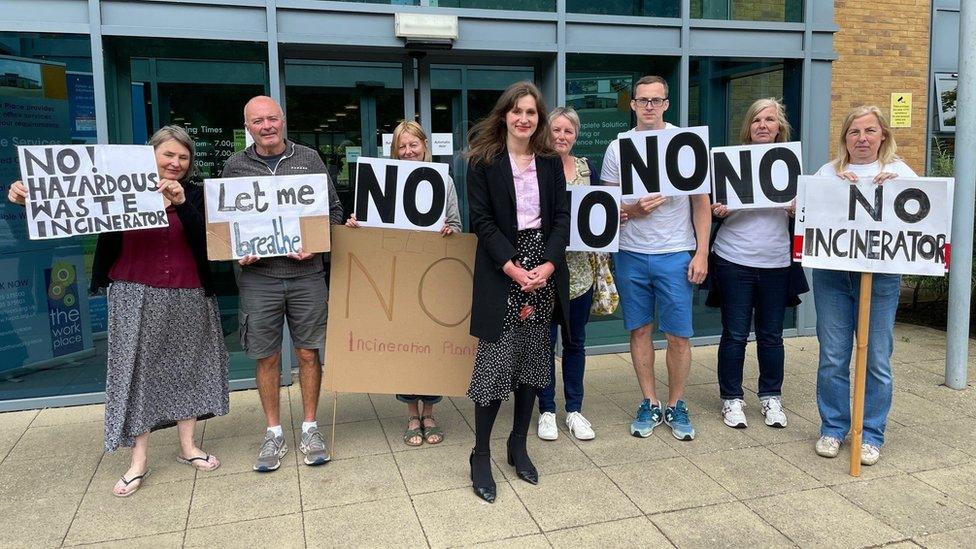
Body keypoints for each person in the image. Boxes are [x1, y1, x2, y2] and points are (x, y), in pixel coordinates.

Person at [8, 125, 229, 497]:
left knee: (188, 366)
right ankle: (138, 460)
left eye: (183, 157)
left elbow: (211, 240)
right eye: (168, 154)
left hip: (190, 292)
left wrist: (180, 203)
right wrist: (29, 197)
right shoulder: (116, 187)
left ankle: (188, 447)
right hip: (134, 293)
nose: (175, 163)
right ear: (150, 155)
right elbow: (68, 203)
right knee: (135, 372)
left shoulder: (196, 194)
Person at [222, 95, 343, 472]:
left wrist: (317, 243)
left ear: (283, 120)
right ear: (248, 126)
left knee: (309, 353)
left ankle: (310, 427)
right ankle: (273, 432)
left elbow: (334, 211)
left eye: (272, 118)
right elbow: (224, 224)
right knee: (267, 356)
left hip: (307, 276)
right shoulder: (234, 166)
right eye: (258, 121)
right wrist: (235, 250)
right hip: (259, 278)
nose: (267, 126)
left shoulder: (309, 159)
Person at [465, 81, 570, 503]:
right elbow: (482, 220)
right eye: (516, 111)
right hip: (500, 267)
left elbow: (562, 218)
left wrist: (547, 264)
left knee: (532, 364)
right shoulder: (482, 161)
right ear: (504, 115)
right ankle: (480, 454)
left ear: (538, 118)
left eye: (531, 112)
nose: (524, 118)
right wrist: (512, 266)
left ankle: (518, 444)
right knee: (493, 367)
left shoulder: (549, 161)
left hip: (543, 267)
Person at [600, 75, 710, 441]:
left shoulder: (686, 142)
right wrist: (633, 208)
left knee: (679, 335)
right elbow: (609, 205)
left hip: (675, 252)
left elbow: (701, 202)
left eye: (656, 100)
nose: (649, 106)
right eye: (642, 100)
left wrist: (702, 252)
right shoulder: (619, 148)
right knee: (640, 329)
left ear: (666, 104)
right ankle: (649, 400)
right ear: (632, 105)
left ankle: (676, 404)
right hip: (631, 252)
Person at [345, 120, 462, 446]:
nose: (408, 151)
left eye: (413, 144)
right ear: (393, 151)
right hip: (398, 275)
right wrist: (356, 224)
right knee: (405, 346)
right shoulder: (384, 182)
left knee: (430, 345)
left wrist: (449, 231)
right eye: (402, 147)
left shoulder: (445, 182)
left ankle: (430, 411)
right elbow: (369, 230)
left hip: (431, 275)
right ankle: (412, 413)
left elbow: (456, 224)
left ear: (424, 145)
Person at [811, 105, 916, 466]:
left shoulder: (900, 171)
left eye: (870, 131)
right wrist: (828, 192)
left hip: (882, 275)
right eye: (854, 132)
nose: (862, 139)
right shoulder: (829, 171)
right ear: (845, 137)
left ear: (883, 134)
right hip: (833, 275)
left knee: (876, 357)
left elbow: (921, 221)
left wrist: (899, 189)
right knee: (833, 355)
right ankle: (834, 428)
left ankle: (870, 433)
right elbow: (802, 211)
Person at [707, 98, 808, 429]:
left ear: (780, 127)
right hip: (734, 258)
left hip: (777, 262)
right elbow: (707, 208)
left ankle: (770, 397)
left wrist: (798, 209)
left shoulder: (792, 166)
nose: (763, 125)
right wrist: (718, 209)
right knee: (735, 334)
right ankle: (732, 398)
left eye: (769, 120)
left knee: (771, 335)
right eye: (756, 120)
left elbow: (811, 215)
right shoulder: (730, 163)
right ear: (748, 128)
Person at [537, 106, 599, 442]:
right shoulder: (535, 167)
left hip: (579, 273)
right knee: (543, 344)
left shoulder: (589, 169)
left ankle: (574, 409)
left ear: (576, 135)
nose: (562, 137)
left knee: (576, 344)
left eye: (568, 131)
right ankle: (546, 409)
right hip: (545, 270)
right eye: (556, 130)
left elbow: (603, 209)